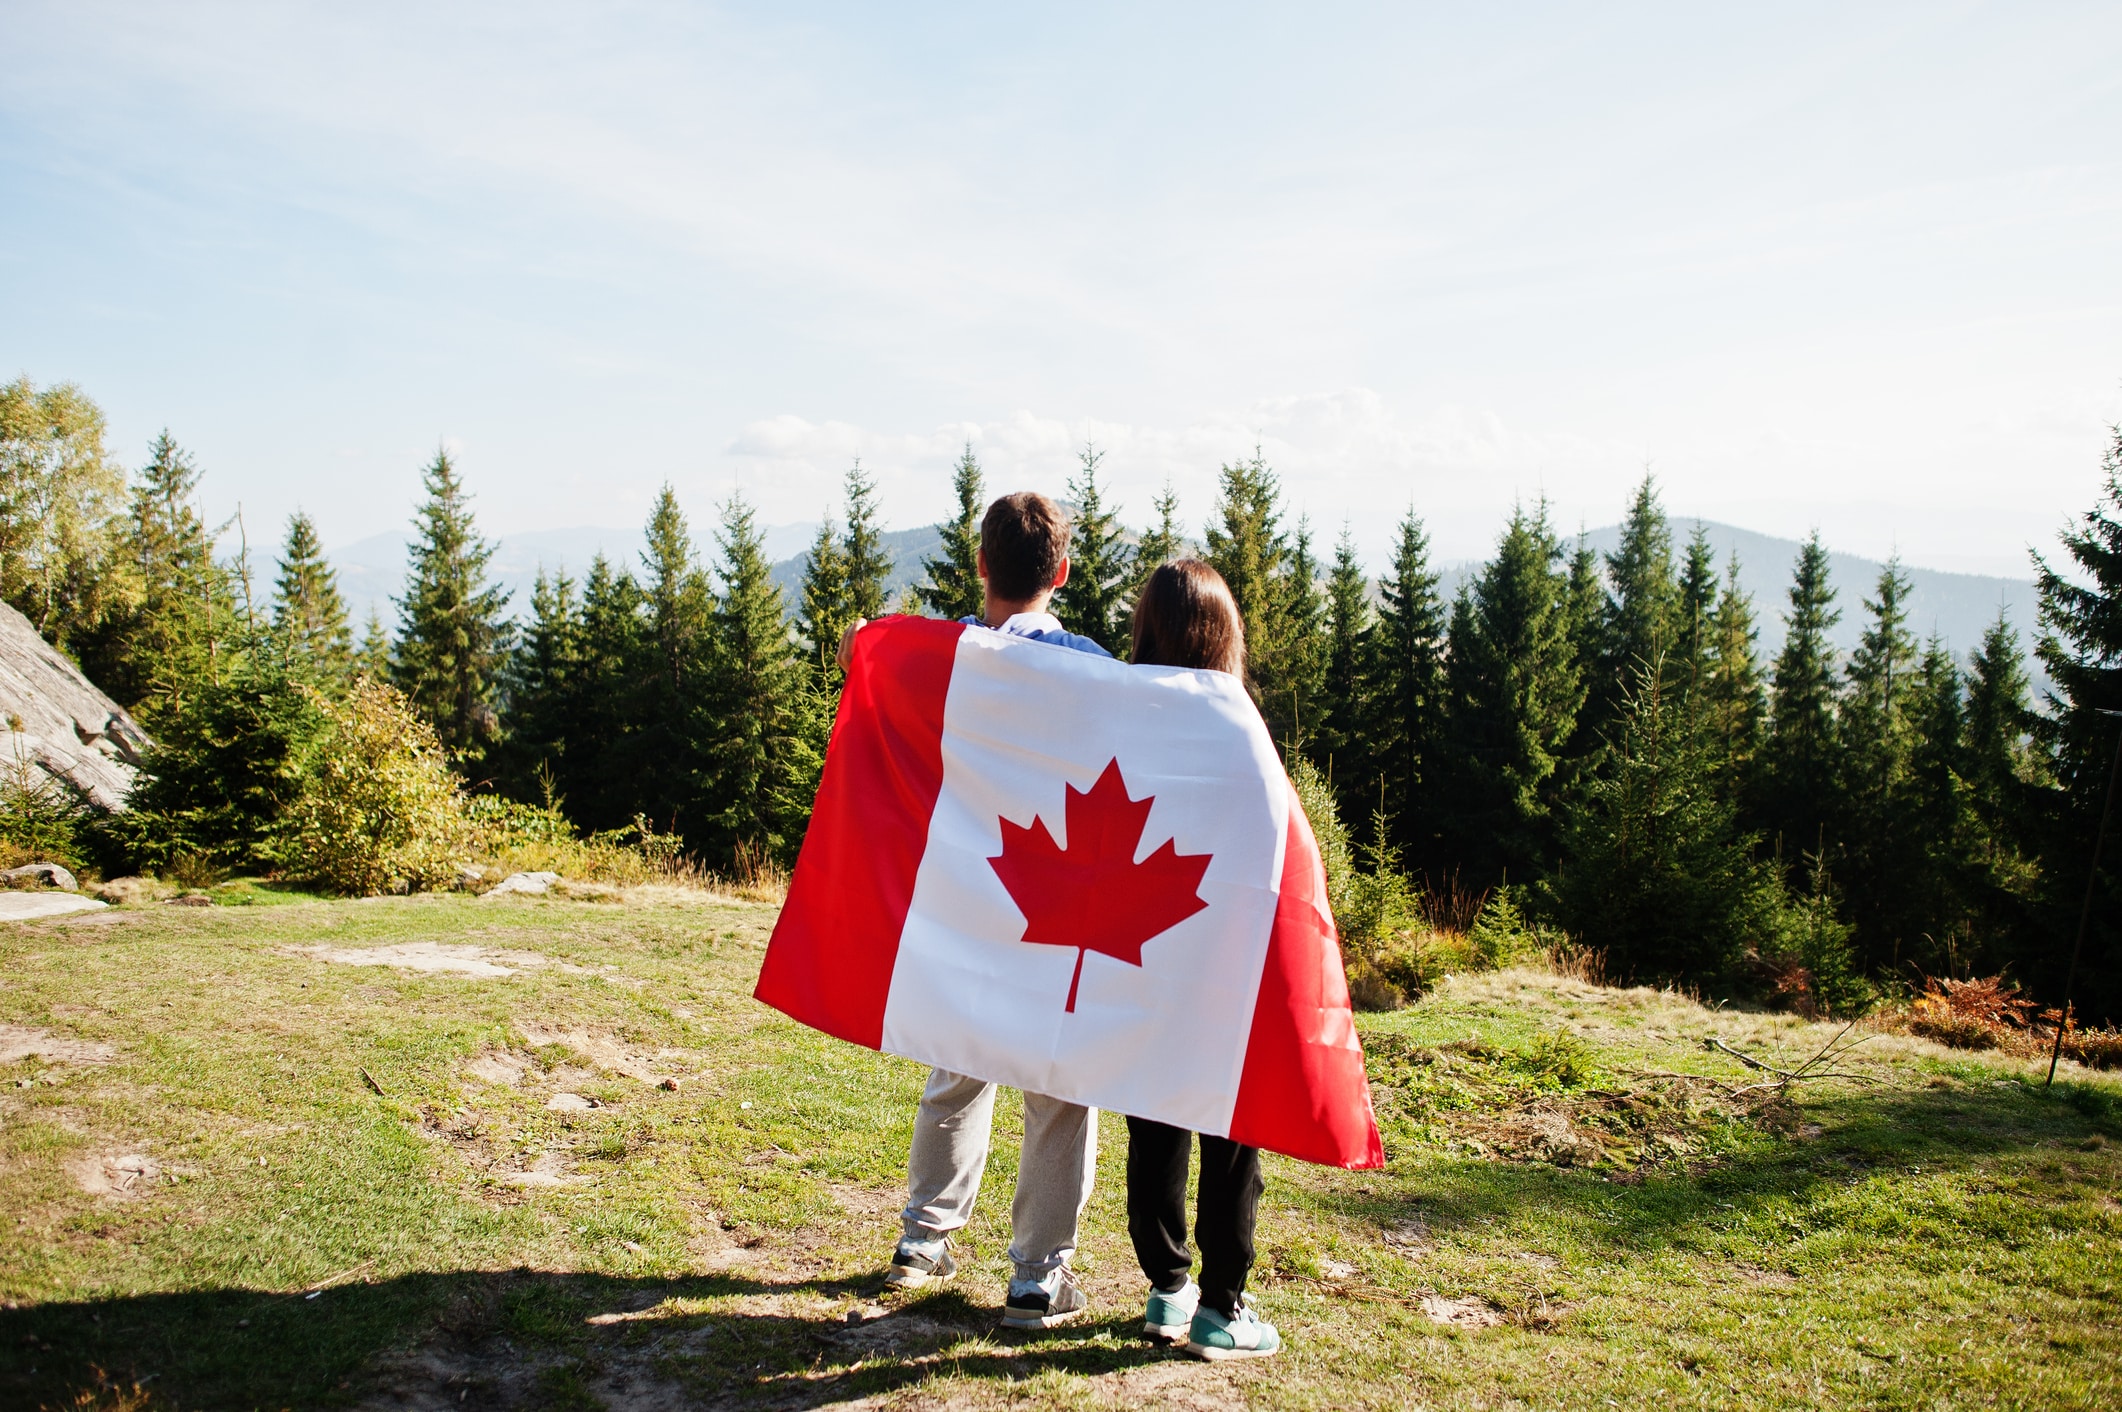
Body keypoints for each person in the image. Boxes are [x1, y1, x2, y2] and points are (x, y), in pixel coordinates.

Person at [838, 490, 1109, 1331]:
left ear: (981, 566)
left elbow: (865, 655)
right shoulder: (1094, 666)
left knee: (956, 1065)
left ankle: (923, 1241)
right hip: (1058, 900)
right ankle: (1037, 1276)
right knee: (1059, 1085)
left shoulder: (946, 656)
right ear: (1061, 572)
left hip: (963, 898)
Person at [1122, 558, 1280, 1361]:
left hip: (1141, 947)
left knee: (1152, 1107)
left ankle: (1166, 1287)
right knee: (1231, 1125)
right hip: (1225, 953)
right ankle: (1221, 1305)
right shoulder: (1237, 719)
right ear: (1224, 636)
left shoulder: (1121, 708)